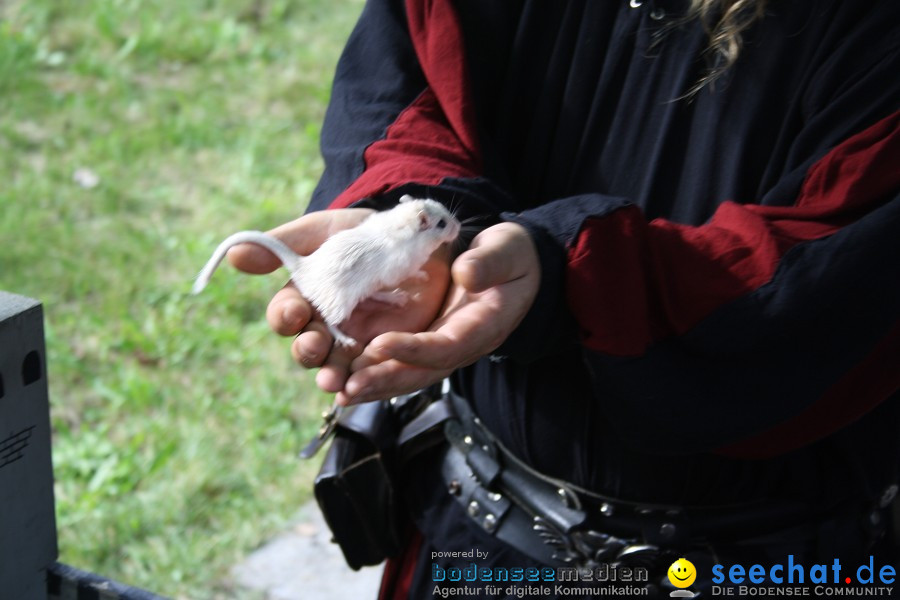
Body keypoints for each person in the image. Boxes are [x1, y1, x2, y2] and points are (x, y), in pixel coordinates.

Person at [228, 0, 900, 597]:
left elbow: (826, 276)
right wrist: (417, 228)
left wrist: (568, 269)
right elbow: (409, 77)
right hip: (480, 532)